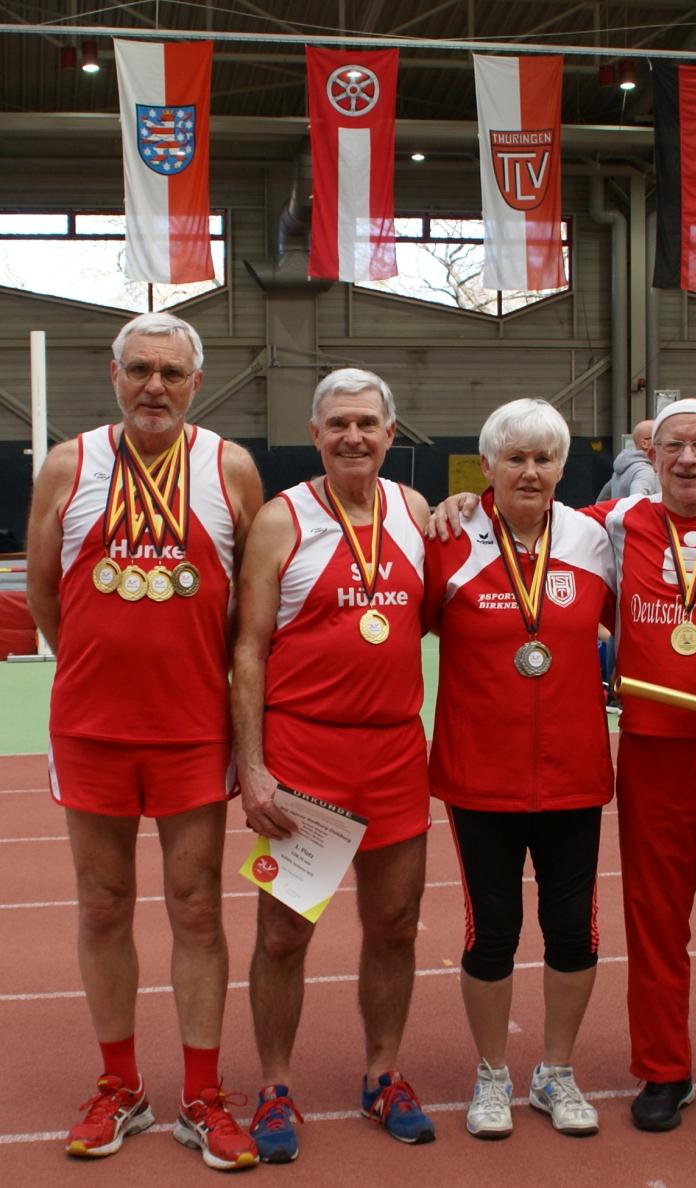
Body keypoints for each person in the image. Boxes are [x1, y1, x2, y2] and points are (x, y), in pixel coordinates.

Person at [432, 397, 696, 1136]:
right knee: (655, 922)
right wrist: (449, 502)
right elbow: (512, 508)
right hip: (654, 750)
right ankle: (664, 1070)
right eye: (673, 447)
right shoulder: (613, 524)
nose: (688, 459)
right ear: (649, 457)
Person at [25, 312, 264, 1170]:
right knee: (102, 905)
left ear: (197, 382)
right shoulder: (69, 464)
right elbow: (47, 594)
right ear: (114, 376)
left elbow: (249, 613)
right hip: (90, 725)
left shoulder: (230, 467)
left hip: (192, 726)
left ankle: (202, 1092)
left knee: (197, 907)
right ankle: (120, 1084)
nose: (153, 385)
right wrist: (98, 660)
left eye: (169, 371)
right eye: (139, 370)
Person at [231, 367, 434, 1162]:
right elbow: (247, 650)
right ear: (315, 435)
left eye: (368, 423)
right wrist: (252, 768)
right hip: (306, 752)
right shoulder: (283, 521)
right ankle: (276, 1086)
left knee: (395, 925)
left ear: (391, 433)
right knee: (285, 933)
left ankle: (383, 1074)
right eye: (338, 424)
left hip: (392, 750)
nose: (354, 436)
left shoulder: (418, 512)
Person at [423, 399, 615, 1141]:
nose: (529, 471)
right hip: (480, 775)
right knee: (492, 930)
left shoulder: (595, 538)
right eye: (515, 458)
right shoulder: (447, 539)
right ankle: (493, 1074)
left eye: (544, 459)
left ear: (562, 468)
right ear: (488, 467)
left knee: (573, 930)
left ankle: (557, 1072)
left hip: (573, 773)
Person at [597, 417, 659, 499]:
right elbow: (637, 504)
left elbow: (601, 501)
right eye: (659, 437)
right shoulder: (644, 471)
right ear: (644, 443)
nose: (666, 441)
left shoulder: (624, 468)